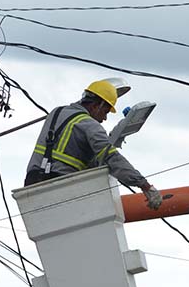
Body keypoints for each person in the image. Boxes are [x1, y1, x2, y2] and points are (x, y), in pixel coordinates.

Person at [25, 80, 163, 210]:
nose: (104, 118)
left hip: (32, 184)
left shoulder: (56, 112)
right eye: (105, 112)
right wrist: (145, 186)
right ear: (97, 105)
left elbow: (69, 152)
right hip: (60, 187)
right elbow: (112, 158)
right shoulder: (90, 126)